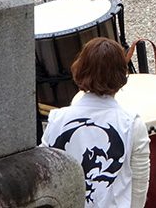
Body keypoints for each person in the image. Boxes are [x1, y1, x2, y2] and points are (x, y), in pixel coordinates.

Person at [42, 38, 150, 208]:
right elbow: (139, 186)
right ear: (122, 75)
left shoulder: (56, 120)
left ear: (80, 68)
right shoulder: (131, 125)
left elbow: (45, 176)